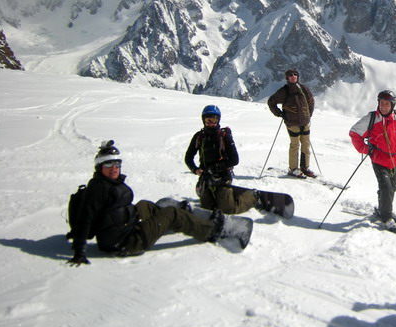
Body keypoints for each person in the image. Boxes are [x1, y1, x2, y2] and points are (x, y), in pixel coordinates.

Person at [67, 140, 226, 265]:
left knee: (144, 205)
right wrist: (79, 251)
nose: (114, 168)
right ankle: (210, 230)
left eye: (117, 164)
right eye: (108, 164)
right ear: (99, 167)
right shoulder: (98, 189)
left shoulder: (106, 183)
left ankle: (176, 217)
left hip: (123, 230)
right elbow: (85, 218)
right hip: (128, 242)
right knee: (172, 213)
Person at [349, 90, 396, 231]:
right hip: (379, 160)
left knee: (391, 189)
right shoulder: (372, 118)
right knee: (386, 188)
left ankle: (383, 210)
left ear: (392, 105)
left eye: (387, 104)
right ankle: (386, 217)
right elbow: (354, 133)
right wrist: (366, 149)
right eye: (381, 103)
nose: (383, 106)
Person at [184, 105, 261, 214]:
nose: (211, 123)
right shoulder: (199, 137)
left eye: (214, 120)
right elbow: (188, 157)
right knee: (207, 208)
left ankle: (252, 197)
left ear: (218, 120)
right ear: (203, 120)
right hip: (206, 177)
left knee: (228, 209)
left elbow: (235, 159)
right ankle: (223, 196)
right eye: (208, 120)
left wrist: (216, 167)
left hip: (223, 176)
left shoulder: (224, 136)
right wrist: (195, 170)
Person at [267, 69, 316, 178]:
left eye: (295, 74)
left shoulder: (303, 89)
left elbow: (311, 101)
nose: (293, 76)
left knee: (306, 145)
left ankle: (305, 167)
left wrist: (308, 115)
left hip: (305, 122)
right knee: (295, 145)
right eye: (290, 75)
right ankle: (293, 169)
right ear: (287, 78)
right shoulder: (284, 91)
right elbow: (271, 102)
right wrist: (279, 114)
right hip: (292, 123)